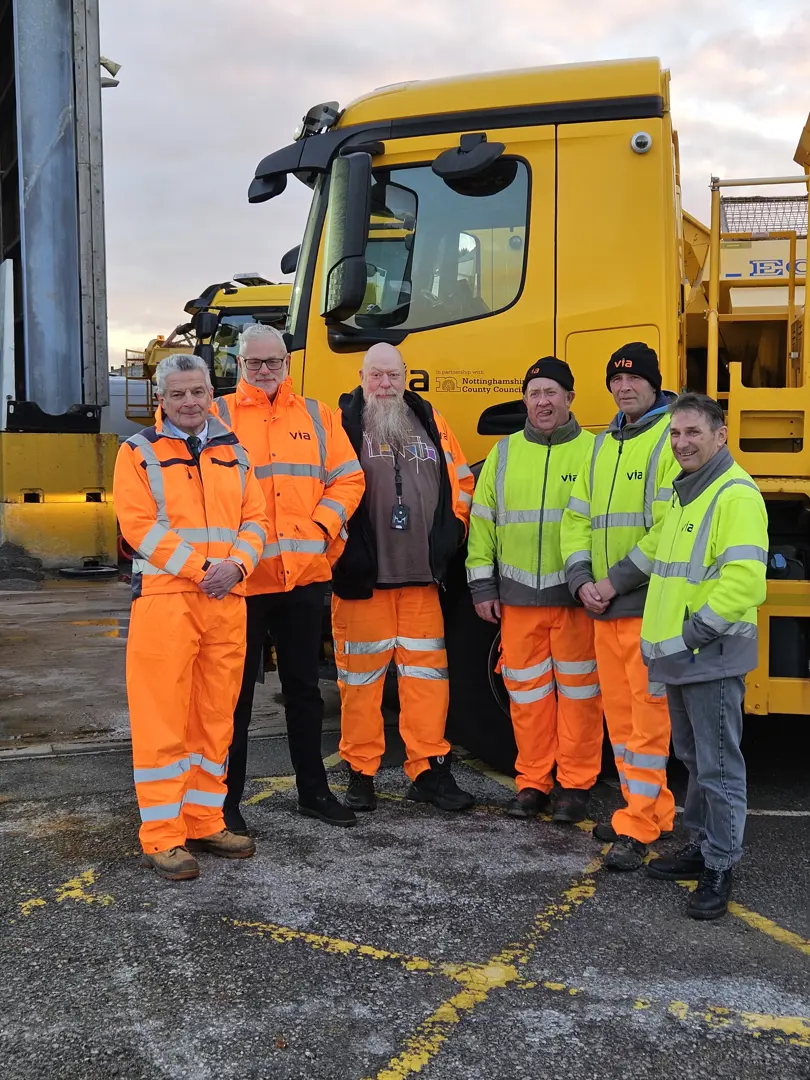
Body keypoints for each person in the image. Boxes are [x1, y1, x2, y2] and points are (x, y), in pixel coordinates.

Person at [114, 354, 269, 881]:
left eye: (197, 392)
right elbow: (140, 528)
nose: (189, 402)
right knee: (163, 720)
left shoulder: (235, 452)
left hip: (226, 600)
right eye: (177, 394)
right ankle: (162, 835)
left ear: (211, 392)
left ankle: (205, 819)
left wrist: (239, 566)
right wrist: (204, 569)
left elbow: (257, 519)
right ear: (161, 399)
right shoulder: (138, 453)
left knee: (214, 717)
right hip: (167, 600)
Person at [213, 325, 365, 831]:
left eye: (272, 361)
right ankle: (225, 802)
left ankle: (313, 792)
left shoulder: (320, 415)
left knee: (304, 692)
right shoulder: (218, 414)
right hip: (242, 581)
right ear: (240, 365)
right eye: (254, 363)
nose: (264, 371)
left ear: (287, 363)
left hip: (303, 577)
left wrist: (321, 528)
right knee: (233, 698)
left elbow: (349, 477)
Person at [333, 343, 475, 811]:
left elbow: (460, 482)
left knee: (427, 681)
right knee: (360, 685)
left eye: (392, 375)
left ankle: (429, 771)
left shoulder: (429, 418)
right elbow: (323, 489)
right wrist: (340, 553)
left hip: (421, 581)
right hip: (364, 583)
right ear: (361, 376)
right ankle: (360, 773)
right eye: (375, 375)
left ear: (406, 376)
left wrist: (451, 535)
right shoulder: (343, 421)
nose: (385, 385)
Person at [641, 393, 768, 918]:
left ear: (720, 436)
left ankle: (720, 863)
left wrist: (692, 635)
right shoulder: (689, 493)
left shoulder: (734, 495)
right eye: (674, 434)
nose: (682, 443)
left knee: (717, 766)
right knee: (694, 760)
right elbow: (659, 561)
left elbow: (743, 583)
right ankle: (703, 846)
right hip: (684, 656)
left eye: (693, 433)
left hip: (708, 655)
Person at [466, 358, 603, 823]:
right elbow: (482, 527)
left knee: (581, 697)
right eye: (534, 393)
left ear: (570, 398)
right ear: (525, 399)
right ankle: (532, 783)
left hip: (575, 603)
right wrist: (482, 586)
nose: (542, 402)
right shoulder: (503, 455)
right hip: (519, 602)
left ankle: (575, 786)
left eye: (552, 392)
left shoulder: (595, 452)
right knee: (527, 698)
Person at [561, 342, 680, 871]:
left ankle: (639, 822)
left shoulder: (668, 440)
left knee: (648, 721)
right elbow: (577, 519)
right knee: (621, 717)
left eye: (634, 379)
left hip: (647, 607)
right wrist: (582, 578)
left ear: (654, 385)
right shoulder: (603, 443)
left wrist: (612, 583)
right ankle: (650, 808)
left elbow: (667, 531)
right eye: (615, 379)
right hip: (606, 606)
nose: (624, 387)